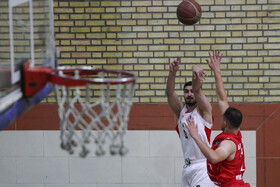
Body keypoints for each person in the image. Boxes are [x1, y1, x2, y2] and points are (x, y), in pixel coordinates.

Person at [185, 50, 250, 187]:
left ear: (225, 122)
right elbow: (222, 99)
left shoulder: (228, 144)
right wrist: (217, 71)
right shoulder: (236, 132)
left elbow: (214, 158)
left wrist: (196, 136)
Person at [166, 57, 216, 187]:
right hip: (187, 167)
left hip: (203, 166)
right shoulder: (181, 111)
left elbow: (198, 89)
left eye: (192, 91)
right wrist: (172, 73)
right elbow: (170, 93)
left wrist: (195, 68)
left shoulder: (204, 112)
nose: (189, 94)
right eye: (186, 91)